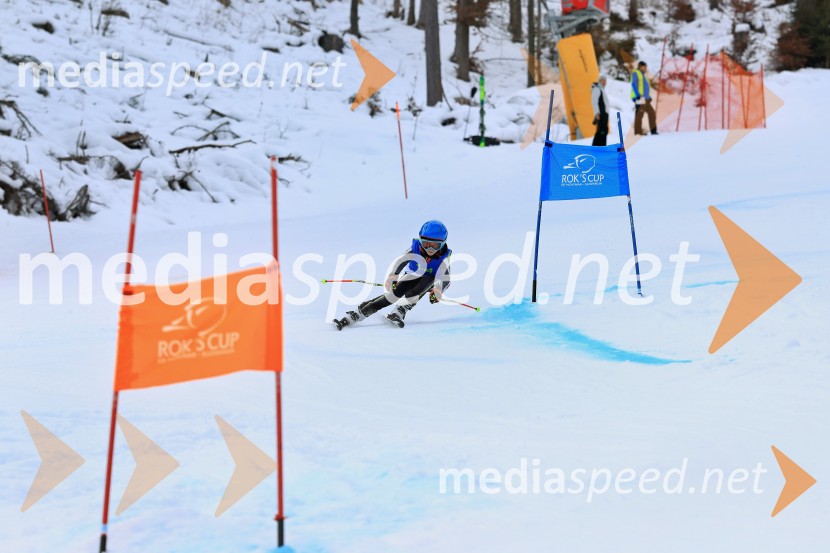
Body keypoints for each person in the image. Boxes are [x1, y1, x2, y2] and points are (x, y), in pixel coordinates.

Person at [334, 220, 452, 329]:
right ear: (420, 240)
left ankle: (400, 310)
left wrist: (438, 290)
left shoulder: (444, 258)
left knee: (424, 283)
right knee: (394, 295)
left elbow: (446, 279)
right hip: (412, 275)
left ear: (442, 244)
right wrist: (393, 276)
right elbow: (401, 261)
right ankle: (360, 312)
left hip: (430, 282)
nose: (430, 249)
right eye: (426, 244)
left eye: (435, 245)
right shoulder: (415, 248)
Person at [631, 61, 658, 136]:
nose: (645, 68)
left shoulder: (644, 76)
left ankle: (653, 131)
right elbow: (634, 84)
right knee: (639, 115)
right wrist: (637, 95)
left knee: (652, 113)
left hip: (645, 99)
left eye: (645, 67)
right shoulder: (636, 73)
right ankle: (638, 132)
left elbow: (645, 88)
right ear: (640, 67)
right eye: (644, 67)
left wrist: (648, 97)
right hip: (639, 98)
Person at [591, 75, 610, 146]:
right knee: (602, 131)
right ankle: (601, 147)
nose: (604, 82)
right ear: (600, 81)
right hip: (601, 114)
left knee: (602, 131)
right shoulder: (597, 89)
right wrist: (597, 113)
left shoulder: (602, 89)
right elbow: (594, 102)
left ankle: (596, 147)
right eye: (603, 80)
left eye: (605, 81)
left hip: (604, 114)